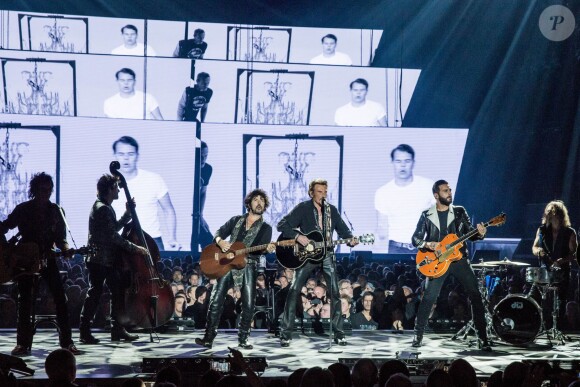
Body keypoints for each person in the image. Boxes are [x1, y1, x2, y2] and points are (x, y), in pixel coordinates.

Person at [0, 173, 80, 356]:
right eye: (43, 189)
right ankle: (22, 344)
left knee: (60, 299)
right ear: (34, 189)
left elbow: (61, 239)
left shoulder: (57, 211)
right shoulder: (23, 209)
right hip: (26, 260)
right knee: (25, 301)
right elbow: (6, 226)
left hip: (48, 259)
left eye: (49, 189)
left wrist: (66, 249)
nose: (47, 193)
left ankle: (67, 343)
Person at [411, 179, 491, 350]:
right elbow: (415, 239)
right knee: (429, 298)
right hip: (437, 262)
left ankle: (482, 338)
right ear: (436, 195)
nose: (449, 193)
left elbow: (471, 232)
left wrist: (481, 233)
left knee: (475, 295)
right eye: (445, 191)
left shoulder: (460, 212)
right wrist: (429, 244)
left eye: (450, 190)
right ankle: (418, 335)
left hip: (458, 259)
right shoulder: (427, 215)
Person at [277, 178, 358, 347]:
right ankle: (286, 333)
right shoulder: (303, 208)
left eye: (325, 192)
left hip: (327, 254)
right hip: (307, 256)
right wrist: (298, 236)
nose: (322, 195)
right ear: (311, 192)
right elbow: (282, 225)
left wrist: (350, 239)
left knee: (335, 293)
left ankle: (338, 333)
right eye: (319, 192)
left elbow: (343, 230)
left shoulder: (331, 210)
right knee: (294, 290)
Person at [195, 189, 275, 349]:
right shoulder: (236, 220)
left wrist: (267, 249)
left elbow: (259, 250)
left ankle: (243, 338)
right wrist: (220, 241)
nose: (259, 202)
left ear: (265, 205)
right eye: (255, 199)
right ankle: (208, 337)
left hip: (249, 265)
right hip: (227, 264)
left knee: (248, 304)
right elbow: (218, 232)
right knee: (216, 300)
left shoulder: (266, 228)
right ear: (249, 203)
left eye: (262, 200)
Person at [79, 174, 149, 344]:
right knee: (96, 293)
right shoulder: (103, 208)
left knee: (115, 292)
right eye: (117, 187)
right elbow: (114, 237)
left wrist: (126, 213)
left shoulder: (103, 207)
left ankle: (116, 329)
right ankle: (87, 331)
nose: (119, 189)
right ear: (110, 189)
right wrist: (136, 248)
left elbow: (114, 229)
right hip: (100, 259)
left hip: (104, 260)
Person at [111, 136, 180, 251]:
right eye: (121, 154)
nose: (126, 158)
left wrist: (172, 238)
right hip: (120, 241)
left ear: (137, 155)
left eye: (130, 154)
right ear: (115, 156)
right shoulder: (108, 183)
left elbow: (168, 210)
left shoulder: (154, 179)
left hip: (151, 240)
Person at [374, 144, 434, 253]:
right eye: (398, 161)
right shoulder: (383, 192)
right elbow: (382, 230)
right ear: (392, 163)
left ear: (413, 163)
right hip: (395, 249)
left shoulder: (429, 186)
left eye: (407, 161)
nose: (403, 165)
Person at [532, 200, 578, 327]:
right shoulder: (541, 230)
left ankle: (558, 327)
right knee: (543, 299)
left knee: (560, 301)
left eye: (554, 214)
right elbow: (534, 247)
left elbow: (575, 254)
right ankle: (541, 324)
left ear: (560, 215)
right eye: (549, 214)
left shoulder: (570, 232)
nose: (551, 216)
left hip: (562, 271)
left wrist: (562, 260)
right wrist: (539, 251)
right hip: (544, 269)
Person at [191, 141, 213, 251]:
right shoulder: (189, 167)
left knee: (209, 240)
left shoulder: (208, 169)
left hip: (197, 212)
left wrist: (200, 214)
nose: (204, 159)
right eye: (201, 156)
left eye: (206, 155)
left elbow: (203, 192)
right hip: (187, 211)